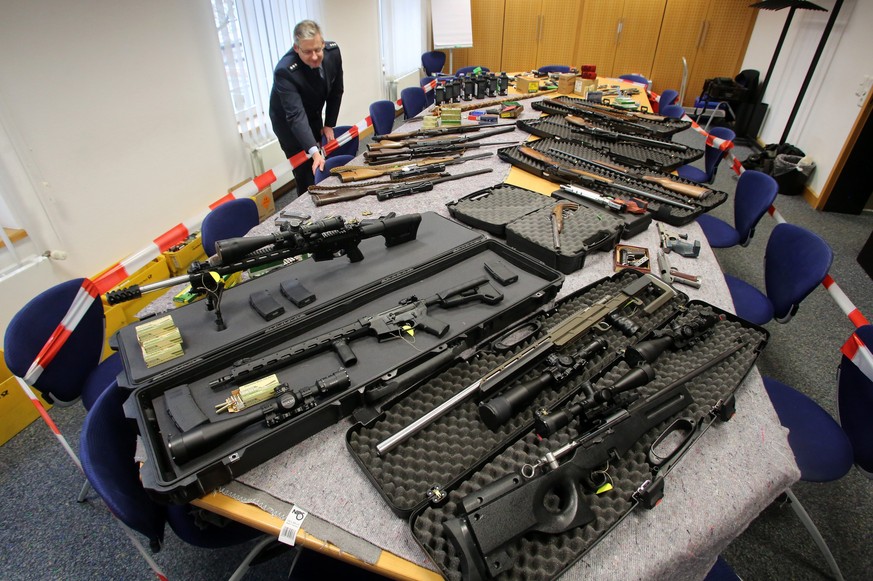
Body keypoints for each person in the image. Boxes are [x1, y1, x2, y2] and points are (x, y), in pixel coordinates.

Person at [269, 20, 344, 196]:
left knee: (323, 164)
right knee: (307, 170)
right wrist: (313, 152)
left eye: (318, 50)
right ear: (296, 48)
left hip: (313, 112)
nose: (315, 56)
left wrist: (328, 124)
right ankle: (306, 210)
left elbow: (336, 90)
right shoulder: (285, 71)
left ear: (323, 43)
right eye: (308, 52)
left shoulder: (333, 52)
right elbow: (296, 115)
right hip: (289, 125)